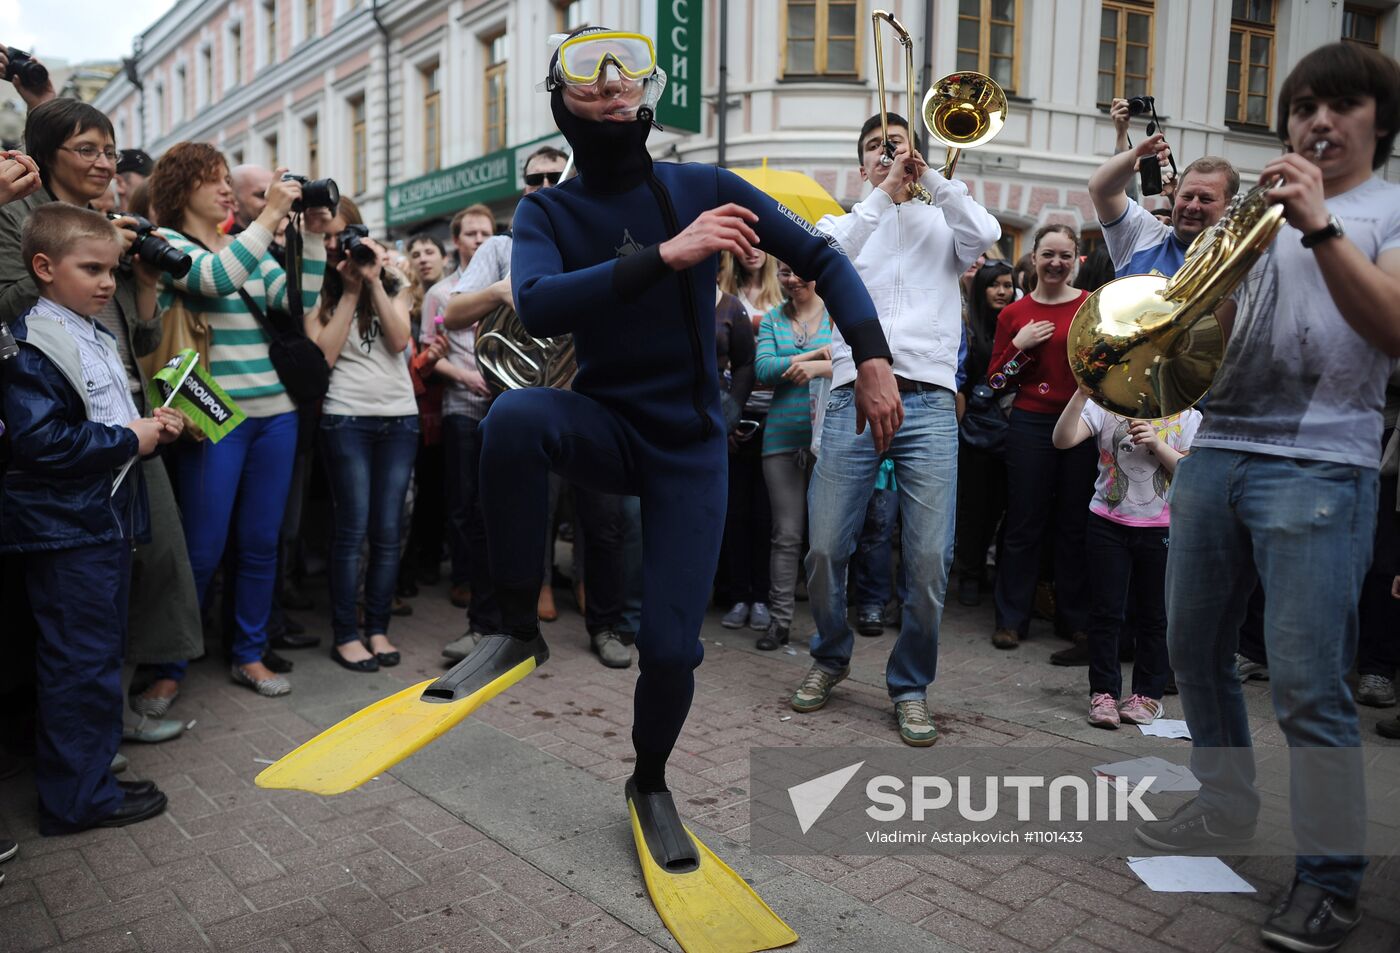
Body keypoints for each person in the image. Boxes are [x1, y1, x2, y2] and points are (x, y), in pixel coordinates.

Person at [1133, 43, 1400, 953]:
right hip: (1219, 450)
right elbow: (1197, 333)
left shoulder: (1388, 210)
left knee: (1306, 683)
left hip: (1322, 465)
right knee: (1192, 650)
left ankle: (1330, 881)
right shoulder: (1254, 215)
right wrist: (1218, 278)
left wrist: (1320, 227)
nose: (1318, 121)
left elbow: (1393, 326)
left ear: (1379, 122)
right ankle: (1221, 807)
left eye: (1342, 105)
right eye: (1304, 108)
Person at [790, 110, 1000, 746]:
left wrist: (930, 178)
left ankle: (910, 684)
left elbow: (986, 232)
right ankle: (830, 656)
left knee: (930, 559)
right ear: (860, 165)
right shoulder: (846, 221)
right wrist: (882, 194)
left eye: (898, 145)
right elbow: (829, 259)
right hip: (856, 394)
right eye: (875, 149)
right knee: (826, 546)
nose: (887, 154)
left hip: (931, 403)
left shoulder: (944, 216)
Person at [0, 99, 202, 732]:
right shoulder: (18, 217)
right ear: (44, 152)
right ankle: (91, 742)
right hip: (64, 420)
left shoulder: (112, 222)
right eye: (86, 149)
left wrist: (135, 271)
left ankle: (113, 716)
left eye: (111, 151)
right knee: (79, 598)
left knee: (150, 563)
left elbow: (140, 339)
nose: (104, 163)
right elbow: (10, 308)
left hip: (129, 412)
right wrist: (67, 256)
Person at [0, 203, 183, 834]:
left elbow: (102, 419)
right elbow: (42, 443)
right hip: (69, 528)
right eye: (93, 269)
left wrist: (154, 425)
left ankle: (88, 779)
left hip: (99, 523)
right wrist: (131, 439)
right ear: (44, 267)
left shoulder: (93, 330)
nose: (109, 282)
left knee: (95, 658)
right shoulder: (32, 341)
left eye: (113, 269)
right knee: (78, 665)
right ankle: (78, 801)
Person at [137, 143, 328, 699]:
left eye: (227, 179)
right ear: (180, 186)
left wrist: (311, 232)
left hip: (276, 412)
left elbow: (295, 300)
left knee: (261, 543)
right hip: (211, 413)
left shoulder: (245, 244)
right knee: (202, 547)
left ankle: (247, 653)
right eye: (213, 179)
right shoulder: (166, 244)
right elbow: (215, 279)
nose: (225, 189)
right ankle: (169, 664)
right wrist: (270, 214)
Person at [437, 152, 568, 661]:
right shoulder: (500, 246)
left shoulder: (582, 241)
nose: (541, 185)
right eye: (532, 179)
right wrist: (500, 289)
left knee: (559, 520)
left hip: (571, 398)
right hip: (510, 398)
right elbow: (452, 313)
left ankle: (571, 626)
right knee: (495, 515)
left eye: (552, 178)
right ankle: (488, 629)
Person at [305, 199, 419, 672]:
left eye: (343, 236)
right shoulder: (315, 284)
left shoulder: (396, 276)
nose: (337, 248)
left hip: (399, 417)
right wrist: (349, 293)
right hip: (346, 417)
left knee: (389, 532)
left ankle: (377, 628)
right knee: (351, 530)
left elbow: (398, 340)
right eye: (328, 240)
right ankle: (346, 635)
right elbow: (323, 358)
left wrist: (372, 279)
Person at [1053, 385, 1199, 728]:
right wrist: (1078, 394)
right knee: (1105, 613)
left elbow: (1191, 473)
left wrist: (1157, 442)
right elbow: (1062, 439)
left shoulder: (1188, 414)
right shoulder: (1105, 407)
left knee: (1154, 615)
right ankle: (1103, 694)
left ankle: (1147, 695)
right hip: (1107, 522)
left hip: (1162, 527)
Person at [985, 225, 1095, 652]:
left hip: (1082, 425)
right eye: (1048, 254)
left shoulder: (1090, 307)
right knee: (1024, 522)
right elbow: (995, 381)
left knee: (1075, 523)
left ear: (1076, 260)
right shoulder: (1013, 315)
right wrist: (1019, 345)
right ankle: (1011, 618)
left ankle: (1075, 618)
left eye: (1065, 256)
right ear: (1033, 257)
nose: (1055, 263)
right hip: (1030, 422)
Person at [752, 262, 832, 650]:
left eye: (801, 271)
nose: (793, 279)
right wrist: (814, 356)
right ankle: (779, 622)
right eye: (784, 272)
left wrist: (819, 366)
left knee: (827, 540)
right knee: (785, 535)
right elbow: (763, 369)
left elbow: (850, 365)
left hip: (829, 440)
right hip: (781, 437)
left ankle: (828, 628)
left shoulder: (837, 313)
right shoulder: (772, 318)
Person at [1088, 98, 1239, 280]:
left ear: (1229, 207)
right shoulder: (1145, 234)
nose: (1192, 206)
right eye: (1187, 196)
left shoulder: (1237, 261)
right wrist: (1135, 156)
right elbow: (1101, 190)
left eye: (1205, 199)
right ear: (1176, 194)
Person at [715, 246, 784, 633]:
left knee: (767, 515)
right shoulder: (723, 294)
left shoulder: (786, 295)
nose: (754, 252)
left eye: (762, 245)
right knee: (735, 511)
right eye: (747, 244)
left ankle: (762, 597)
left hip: (776, 414)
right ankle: (738, 593)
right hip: (731, 411)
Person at [953, 259, 1014, 606]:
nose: (1002, 291)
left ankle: (990, 571)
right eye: (995, 285)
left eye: (1008, 285)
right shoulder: (968, 327)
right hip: (975, 431)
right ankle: (970, 573)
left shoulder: (1019, 321)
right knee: (974, 507)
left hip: (1010, 429)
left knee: (1004, 505)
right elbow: (971, 381)